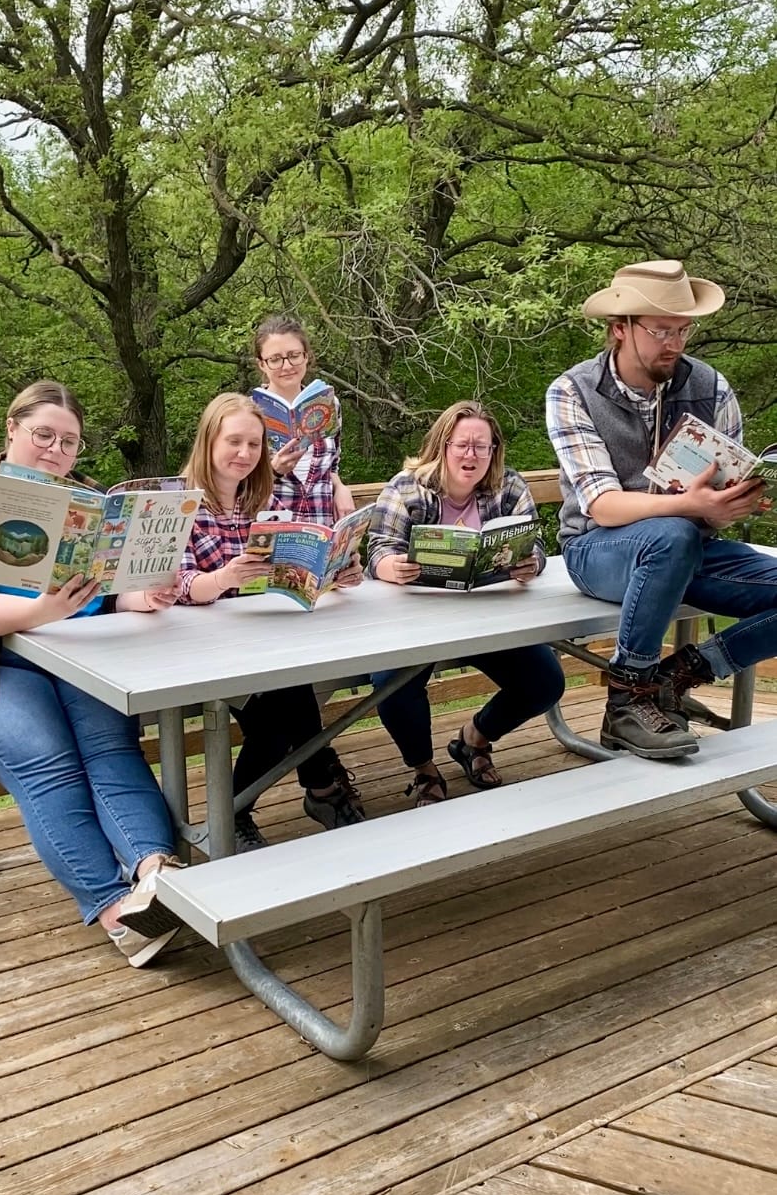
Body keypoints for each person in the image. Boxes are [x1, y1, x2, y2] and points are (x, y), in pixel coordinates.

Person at [0, 382, 184, 966]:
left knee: (112, 747)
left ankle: (156, 875)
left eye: (69, 442)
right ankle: (116, 911)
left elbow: (110, 593)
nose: (55, 450)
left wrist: (143, 594)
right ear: (12, 429)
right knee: (46, 762)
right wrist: (40, 611)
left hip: (82, 653)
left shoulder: (91, 500)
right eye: (43, 435)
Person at [546, 258, 777, 760]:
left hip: (693, 546)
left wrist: (725, 506)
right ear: (620, 328)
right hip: (597, 550)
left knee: (680, 537)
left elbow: (722, 485)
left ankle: (682, 674)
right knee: (671, 534)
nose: (674, 343)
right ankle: (628, 698)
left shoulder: (712, 387)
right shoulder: (572, 391)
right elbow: (602, 506)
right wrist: (689, 505)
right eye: (660, 331)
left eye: (683, 330)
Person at [178, 391, 366, 849]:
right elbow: (179, 583)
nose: (245, 453)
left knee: (289, 694)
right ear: (209, 441)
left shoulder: (263, 497)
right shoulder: (180, 503)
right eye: (234, 442)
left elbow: (289, 571)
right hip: (197, 648)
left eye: (254, 444)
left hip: (261, 639)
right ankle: (290, 796)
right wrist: (222, 579)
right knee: (282, 712)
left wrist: (335, 573)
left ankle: (252, 807)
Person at [367, 400, 565, 805]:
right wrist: (390, 566)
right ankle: (423, 768)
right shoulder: (406, 487)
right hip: (416, 621)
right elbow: (378, 549)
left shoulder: (510, 486)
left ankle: (474, 738)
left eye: (481, 446)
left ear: (494, 451)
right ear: (443, 445)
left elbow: (536, 545)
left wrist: (531, 563)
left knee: (546, 682)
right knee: (390, 683)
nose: (470, 455)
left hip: (489, 618)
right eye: (462, 445)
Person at [253, 313, 355, 524]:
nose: (287, 366)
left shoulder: (329, 403)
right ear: (262, 364)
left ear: (306, 356)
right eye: (275, 359)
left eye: (294, 355)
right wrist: (273, 470)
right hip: (272, 527)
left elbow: (332, 465)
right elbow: (234, 483)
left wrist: (340, 487)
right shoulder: (248, 413)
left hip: (321, 524)